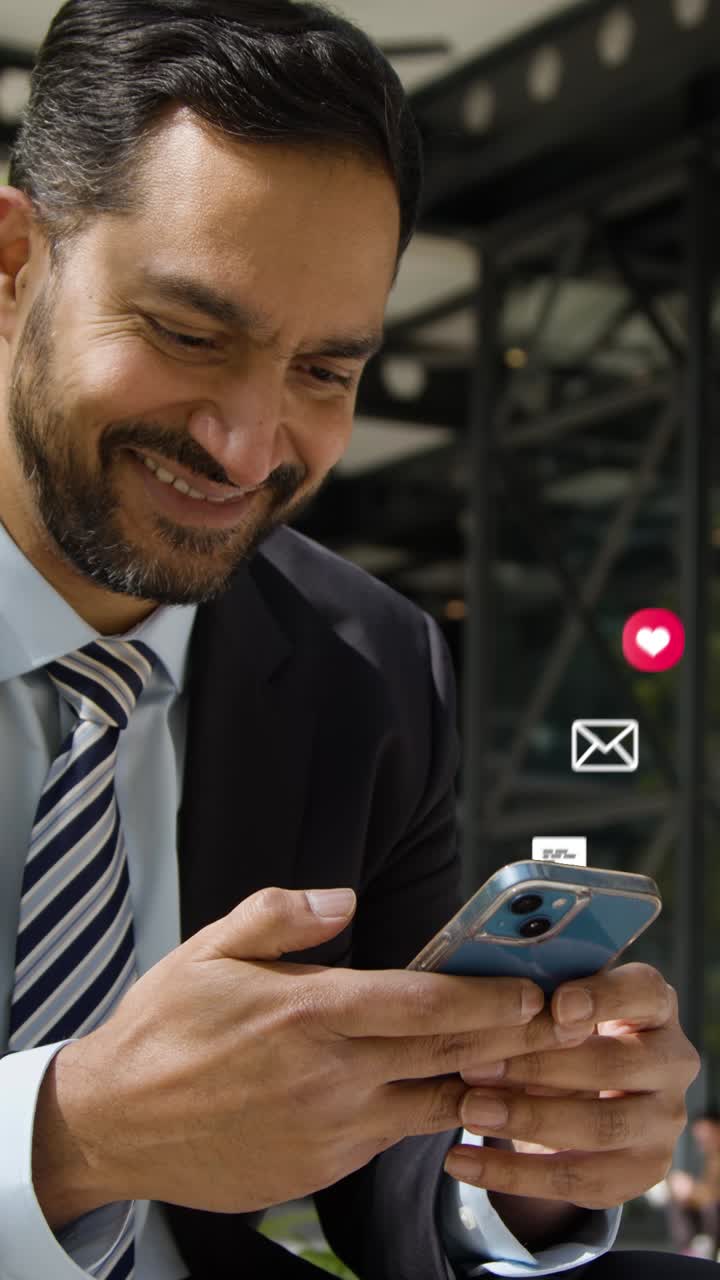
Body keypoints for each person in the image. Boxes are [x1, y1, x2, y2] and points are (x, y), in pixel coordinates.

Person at [0, 2, 708, 1278]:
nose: (246, 445)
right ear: (11, 263)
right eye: (189, 332)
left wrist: (523, 1151)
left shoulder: (368, 661)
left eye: (326, 371)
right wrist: (65, 1138)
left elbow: (391, 1168)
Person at [666, 1112, 720, 1260]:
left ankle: (702, 1251)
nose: (702, 1139)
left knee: (710, 1207)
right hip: (708, 1206)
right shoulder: (710, 1159)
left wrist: (691, 1190)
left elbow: (713, 1194)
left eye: (706, 1133)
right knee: (678, 1202)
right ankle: (689, 1252)